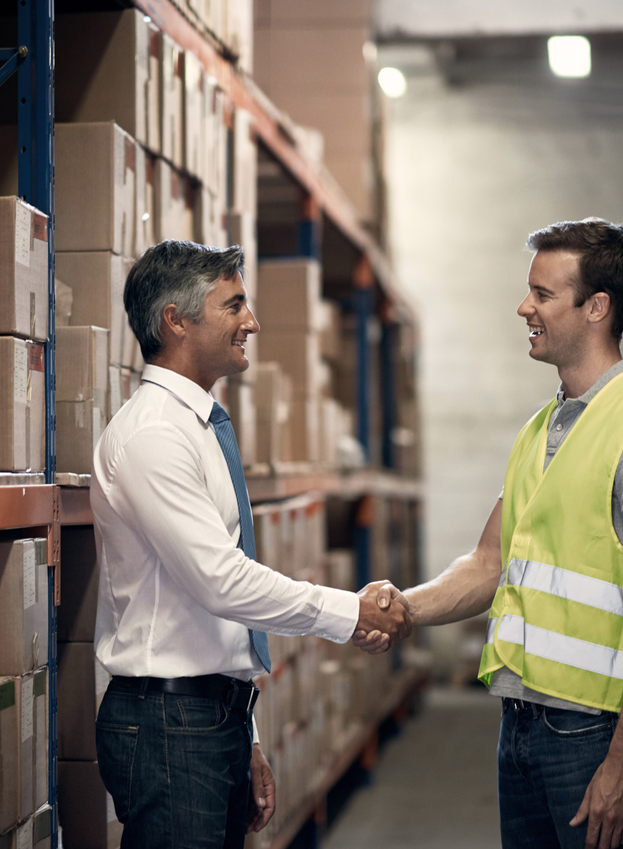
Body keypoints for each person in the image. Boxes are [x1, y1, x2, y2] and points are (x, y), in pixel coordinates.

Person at [358, 218, 623, 849]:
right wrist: (401, 608)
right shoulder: (542, 429)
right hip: (521, 724)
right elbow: (489, 563)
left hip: (594, 733)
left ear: (596, 307)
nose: (525, 308)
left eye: (542, 295)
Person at [92, 240, 411, 849]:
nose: (252, 322)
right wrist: (351, 612)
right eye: (233, 305)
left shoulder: (198, 426)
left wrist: (248, 734)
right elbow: (222, 581)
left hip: (207, 717)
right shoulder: (155, 436)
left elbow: (213, 619)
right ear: (176, 321)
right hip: (169, 726)